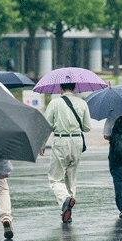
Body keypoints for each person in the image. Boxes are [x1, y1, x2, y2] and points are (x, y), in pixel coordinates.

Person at [44, 83, 91, 224]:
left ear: (61, 88)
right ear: (75, 88)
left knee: (56, 178)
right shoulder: (82, 103)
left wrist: (41, 144)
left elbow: (46, 125)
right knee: (71, 178)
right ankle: (66, 212)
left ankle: (65, 200)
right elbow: (87, 127)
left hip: (60, 140)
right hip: (77, 142)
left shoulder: (54, 103)